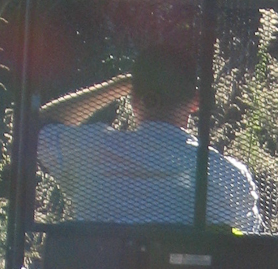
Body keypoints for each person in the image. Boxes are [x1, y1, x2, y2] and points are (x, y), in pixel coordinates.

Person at [36, 44, 262, 230]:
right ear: (195, 102)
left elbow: (37, 126)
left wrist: (117, 87)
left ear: (134, 100)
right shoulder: (229, 176)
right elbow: (249, 245)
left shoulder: (90, 150)